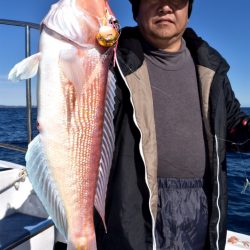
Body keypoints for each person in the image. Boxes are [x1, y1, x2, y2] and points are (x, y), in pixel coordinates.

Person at [94, 0, 250, 249]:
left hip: (202, 210)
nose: (166, 7)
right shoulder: (108, 61)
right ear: (136, 9)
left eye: (177, 0)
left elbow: (233, 126)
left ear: (188, 10)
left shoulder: (212, 67)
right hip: (131, 208)